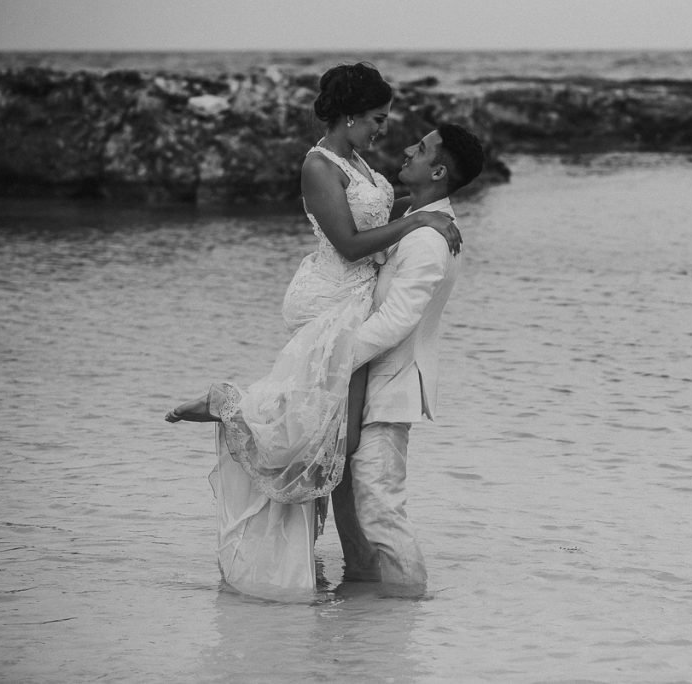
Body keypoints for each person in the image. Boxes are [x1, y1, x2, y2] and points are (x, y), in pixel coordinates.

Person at [165, 62, 462, 599]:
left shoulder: (357, 160)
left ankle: (355, 572)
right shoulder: (318, 165)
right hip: (334, 297)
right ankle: (230, 404)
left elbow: (370, 215)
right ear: (348, 116)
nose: (382, 130)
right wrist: (419, 219)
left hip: (356, 295)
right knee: (332, 440)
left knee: (332, 438)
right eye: (376, 118)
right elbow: (349, 242)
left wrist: (418, 212)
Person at [330, 123, 485, 595]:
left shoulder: (430, 239)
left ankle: (406, 609)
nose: (406, 150)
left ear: (437, 170)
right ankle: (361, 604)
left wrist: (332, 358)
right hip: (368, 379)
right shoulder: (415, 220)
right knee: (348, 497)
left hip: (390, 384)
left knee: (379, 506)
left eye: (419, 149)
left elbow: (398, 319)